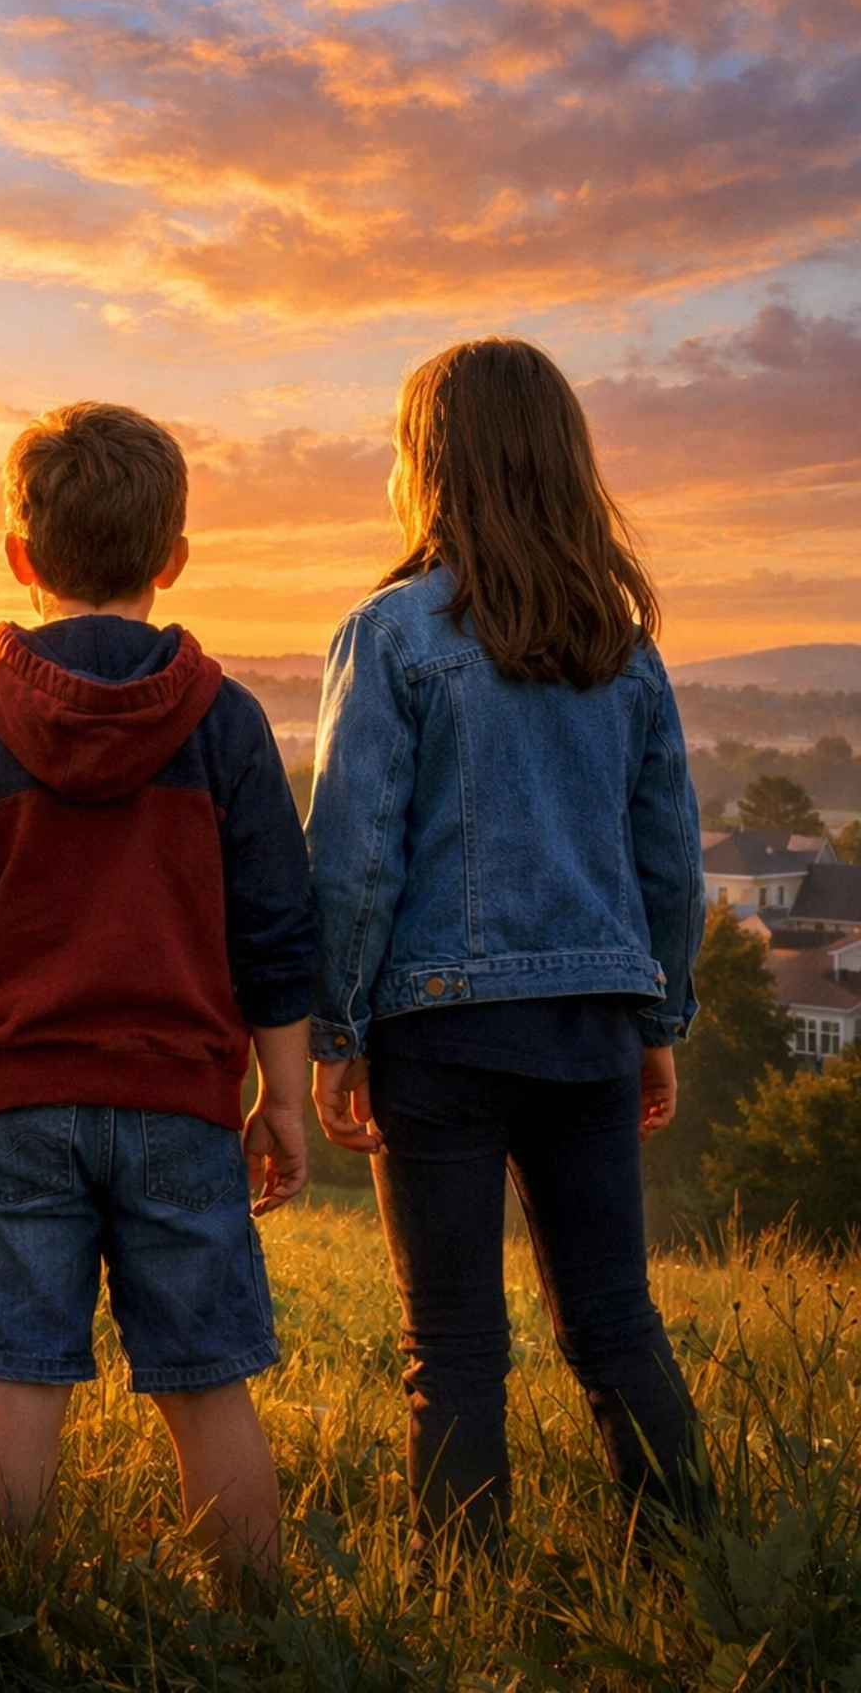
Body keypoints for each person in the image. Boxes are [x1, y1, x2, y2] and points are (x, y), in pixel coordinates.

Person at [0, 401, 316, 1598]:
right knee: (207, 1381)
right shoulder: (225, 722)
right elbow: (277, 931)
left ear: (21, 558)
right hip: (179, 1101)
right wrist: (285, 1100)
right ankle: (260, 1635)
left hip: (10, 1104)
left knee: (14, 1377)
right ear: (171, 558)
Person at [310, 338, 707, 1555]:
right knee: (613, 1320)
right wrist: (656, 1021)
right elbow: (669, 864)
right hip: (591, 1024)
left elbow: (352, 858)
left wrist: (337, 1032)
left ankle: (464, 1602)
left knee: (455, 1346)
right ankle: (698, 1565)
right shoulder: (622, 641)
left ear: (427, 468)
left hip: (437, 1035)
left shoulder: (392, 634)